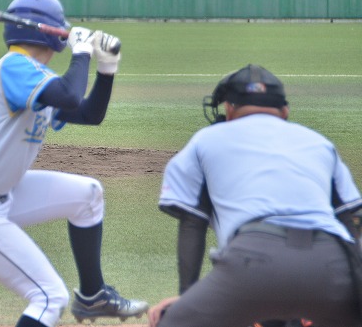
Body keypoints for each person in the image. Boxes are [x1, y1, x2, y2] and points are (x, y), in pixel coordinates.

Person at [0, 0, 148, 327]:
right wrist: (81, 51)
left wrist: (107, 68)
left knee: (87, 195)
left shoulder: (36, 78)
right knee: (49, 297)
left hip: (1, 193)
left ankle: (93, 296)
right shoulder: (15, 66)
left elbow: (88, 113)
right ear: (50, 32)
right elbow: (70, 94)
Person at [149, 64, 362, 327]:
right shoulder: (319, 142)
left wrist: (186, 297)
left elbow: (193, 222)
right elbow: (351, 222)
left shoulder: (205, 140)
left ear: (229, 109)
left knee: (172, 322)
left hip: (253, 261)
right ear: (284, 111)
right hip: (331, 264)